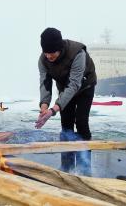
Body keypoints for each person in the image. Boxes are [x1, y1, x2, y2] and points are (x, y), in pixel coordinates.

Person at [35, 27, 97, 174]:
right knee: (66, 125)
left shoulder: (77, 53)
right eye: (46, 52)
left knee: (81, 122)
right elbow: (45, 83)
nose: (48, 56)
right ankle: (67, 166)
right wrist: (44, 106)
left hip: (84, 86)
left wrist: (54, 109)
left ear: (60, 48)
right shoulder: (43, 60)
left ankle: (84, 168)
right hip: (65, 88)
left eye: (52, 53)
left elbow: (74, 84)